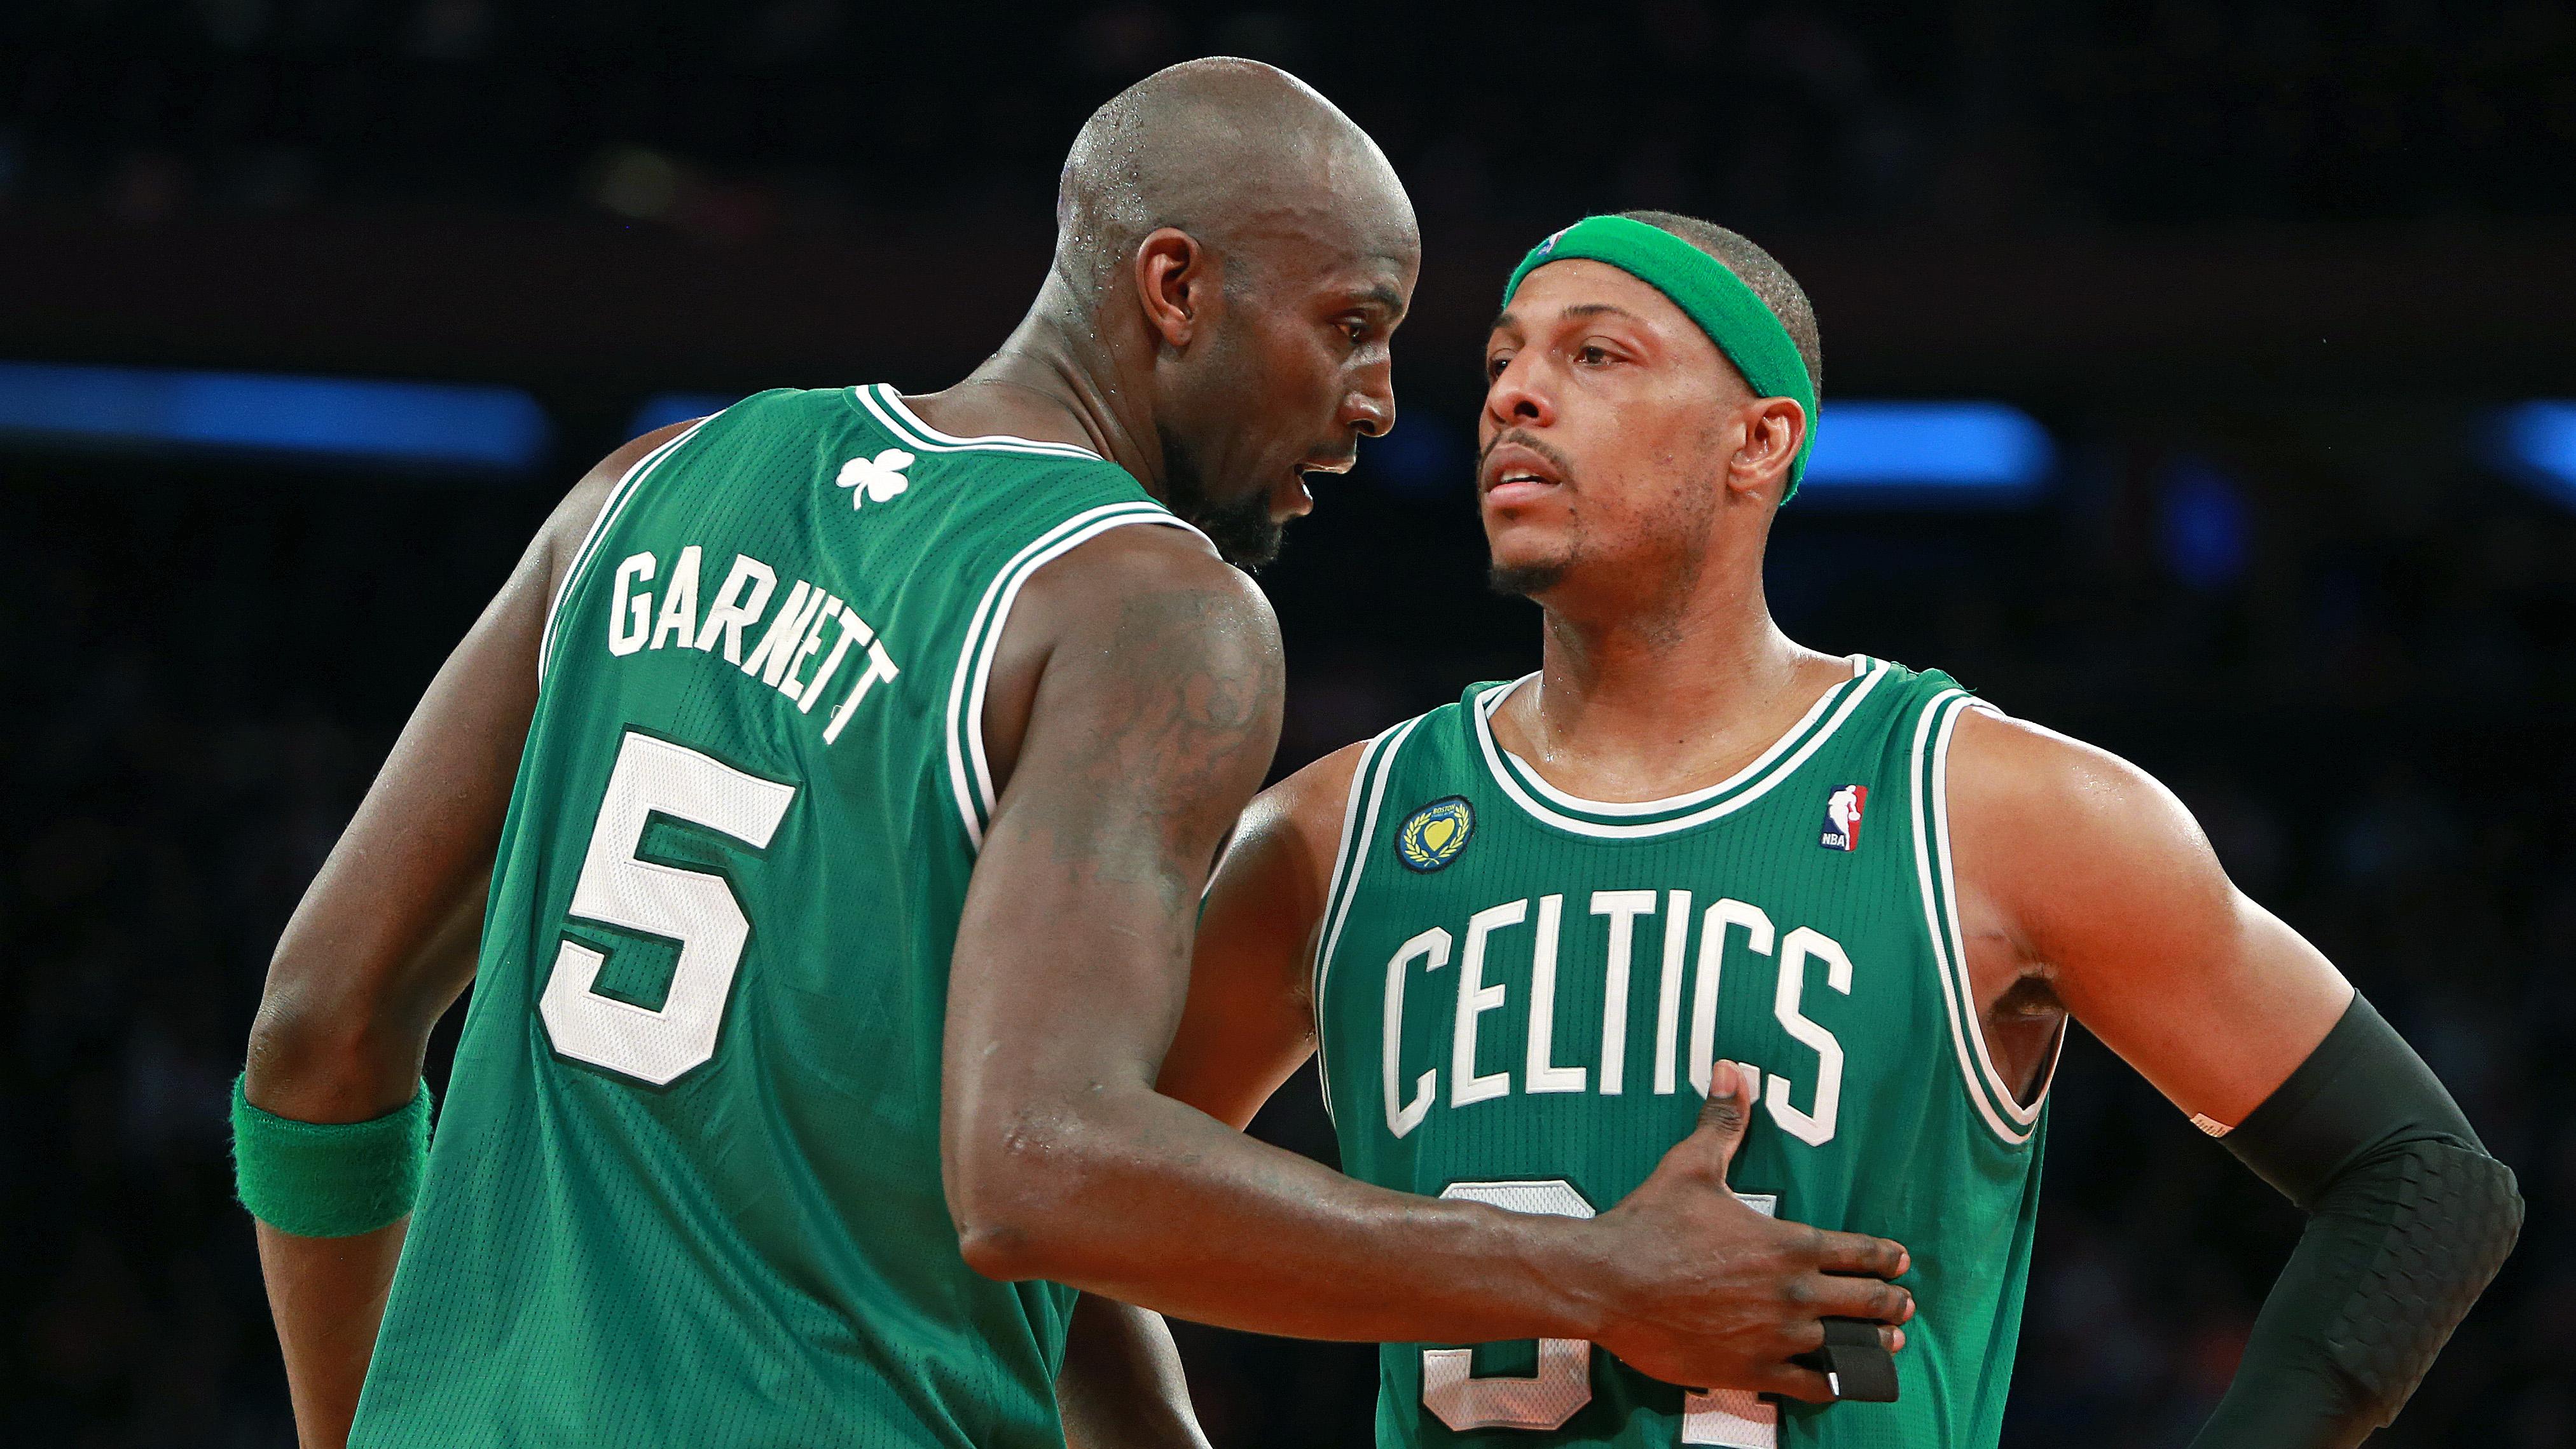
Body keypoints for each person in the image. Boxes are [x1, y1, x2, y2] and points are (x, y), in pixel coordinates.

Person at [232, 64, 1917, 1449]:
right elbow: (1040, 1173)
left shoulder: (641, 495)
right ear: (1172, 288)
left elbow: (318, 1032)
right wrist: (1595, 1275)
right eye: (1349, 325)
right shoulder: (1148, 606)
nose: (1385, 402)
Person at [1157, 211, 2523, 1448]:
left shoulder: (1993, 805)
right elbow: (1077, 1210)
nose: (1512, 393)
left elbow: (2425, 1185)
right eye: (1509, 356)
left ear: (1760, 440)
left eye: (1598, 356)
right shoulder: (1335, 831)